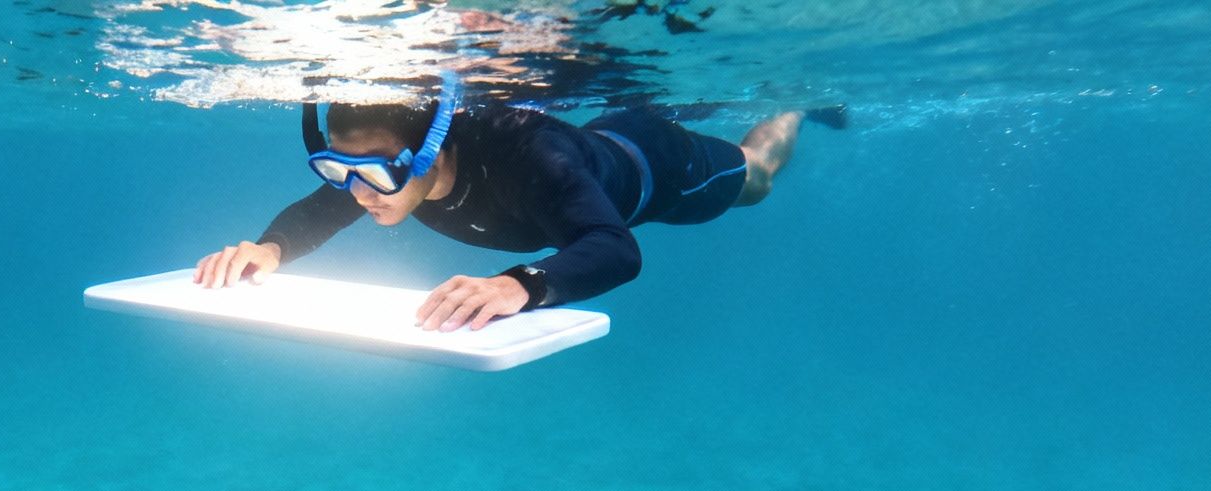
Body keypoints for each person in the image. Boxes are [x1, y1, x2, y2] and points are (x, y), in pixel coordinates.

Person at [194, 73, 837, 332]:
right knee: (648, 99)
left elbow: (615, 249)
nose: (359, 191)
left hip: (660, 170)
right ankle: (686, 95)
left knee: (756, 179)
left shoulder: (528, 162)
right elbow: (318, 211)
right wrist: (268, 249)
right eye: (338, 167)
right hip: (605, 136)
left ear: (432, 150)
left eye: (380, 170)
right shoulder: (378, 180)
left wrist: (519, 287)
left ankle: (796, 99)